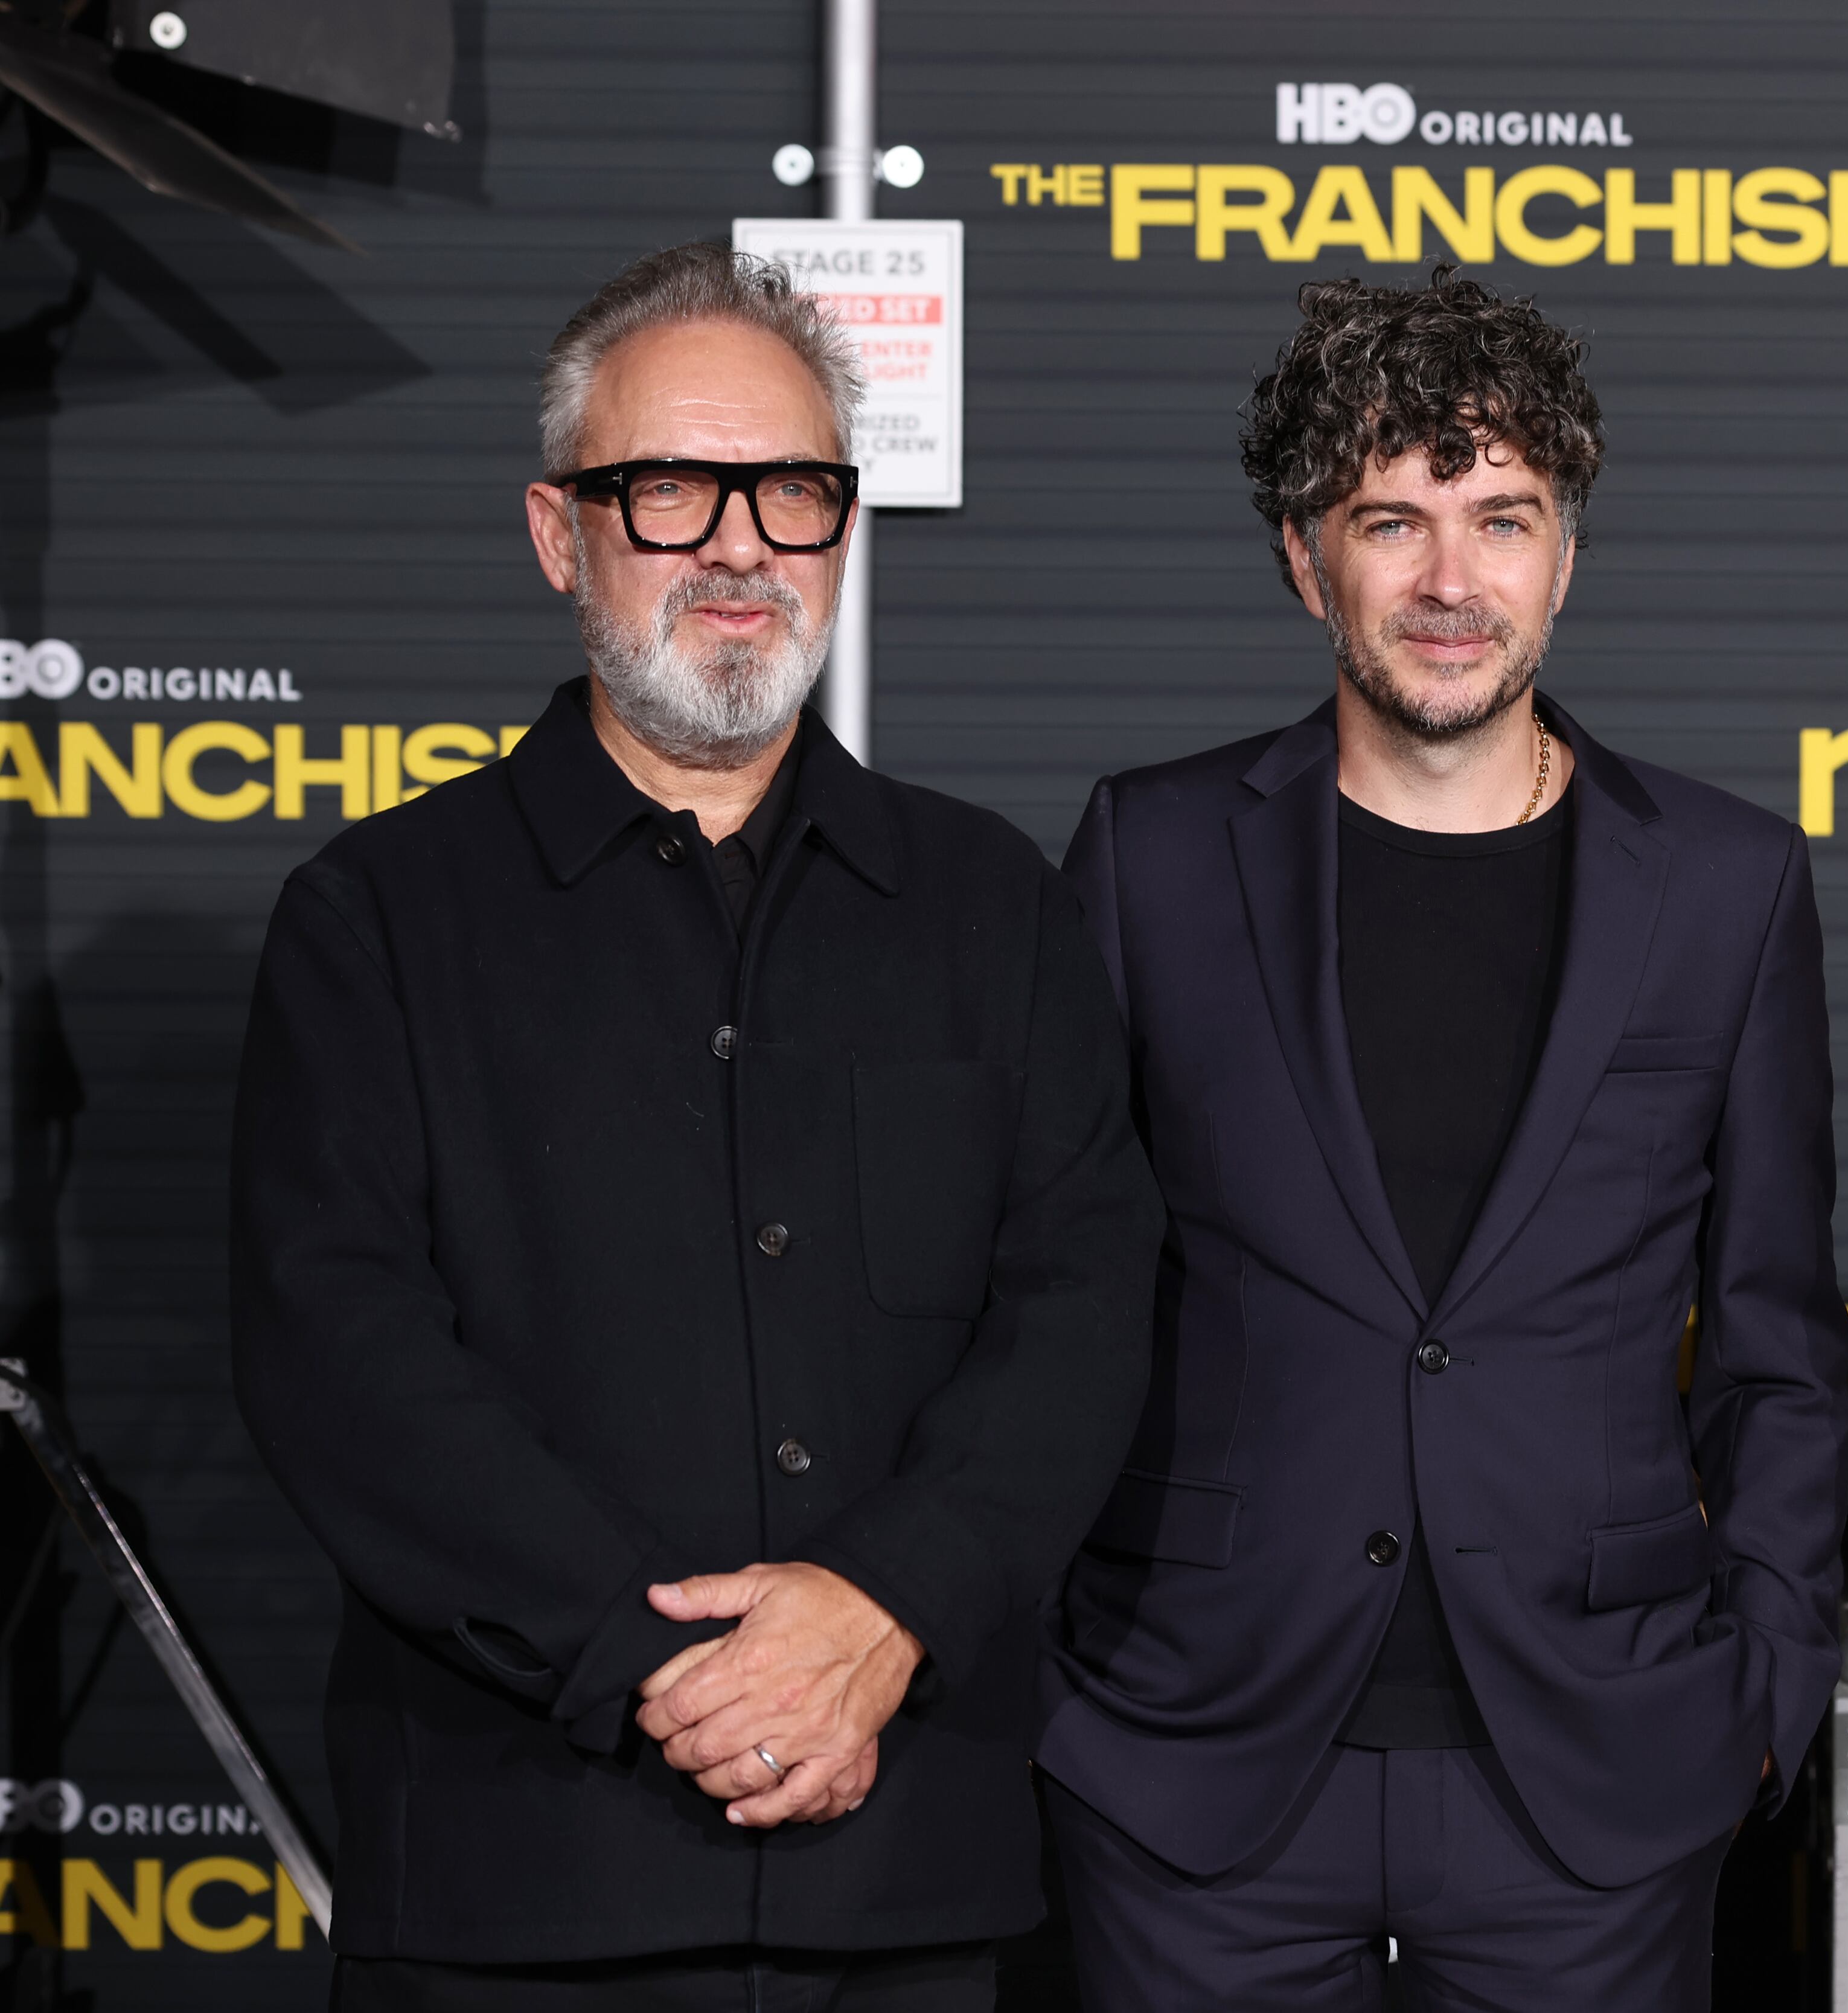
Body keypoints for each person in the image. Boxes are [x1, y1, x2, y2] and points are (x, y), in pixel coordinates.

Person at [229, 242, 1162, 2010]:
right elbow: (340, 1357)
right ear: (556, 532)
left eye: (792, 491)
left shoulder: (993, 905)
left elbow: (1085, 1305)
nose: (740, 545)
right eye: (671, 490)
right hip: (517, 1887)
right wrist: (668, 1676)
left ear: (843, 531)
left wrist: (885, 1608)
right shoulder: (378, 916)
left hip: (914, 1886)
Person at [1035, 270, 1848, 2011]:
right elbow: (1040, 1288)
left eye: (1503, 518)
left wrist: (1763, 1691)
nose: (1451, 580)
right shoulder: (1151, 855)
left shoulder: (1725, 884)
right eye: (1390, 520)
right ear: (1301, 553)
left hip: (1594, 1776)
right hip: (1199, 1762)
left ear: (1566, 552)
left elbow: (1780, 1342)